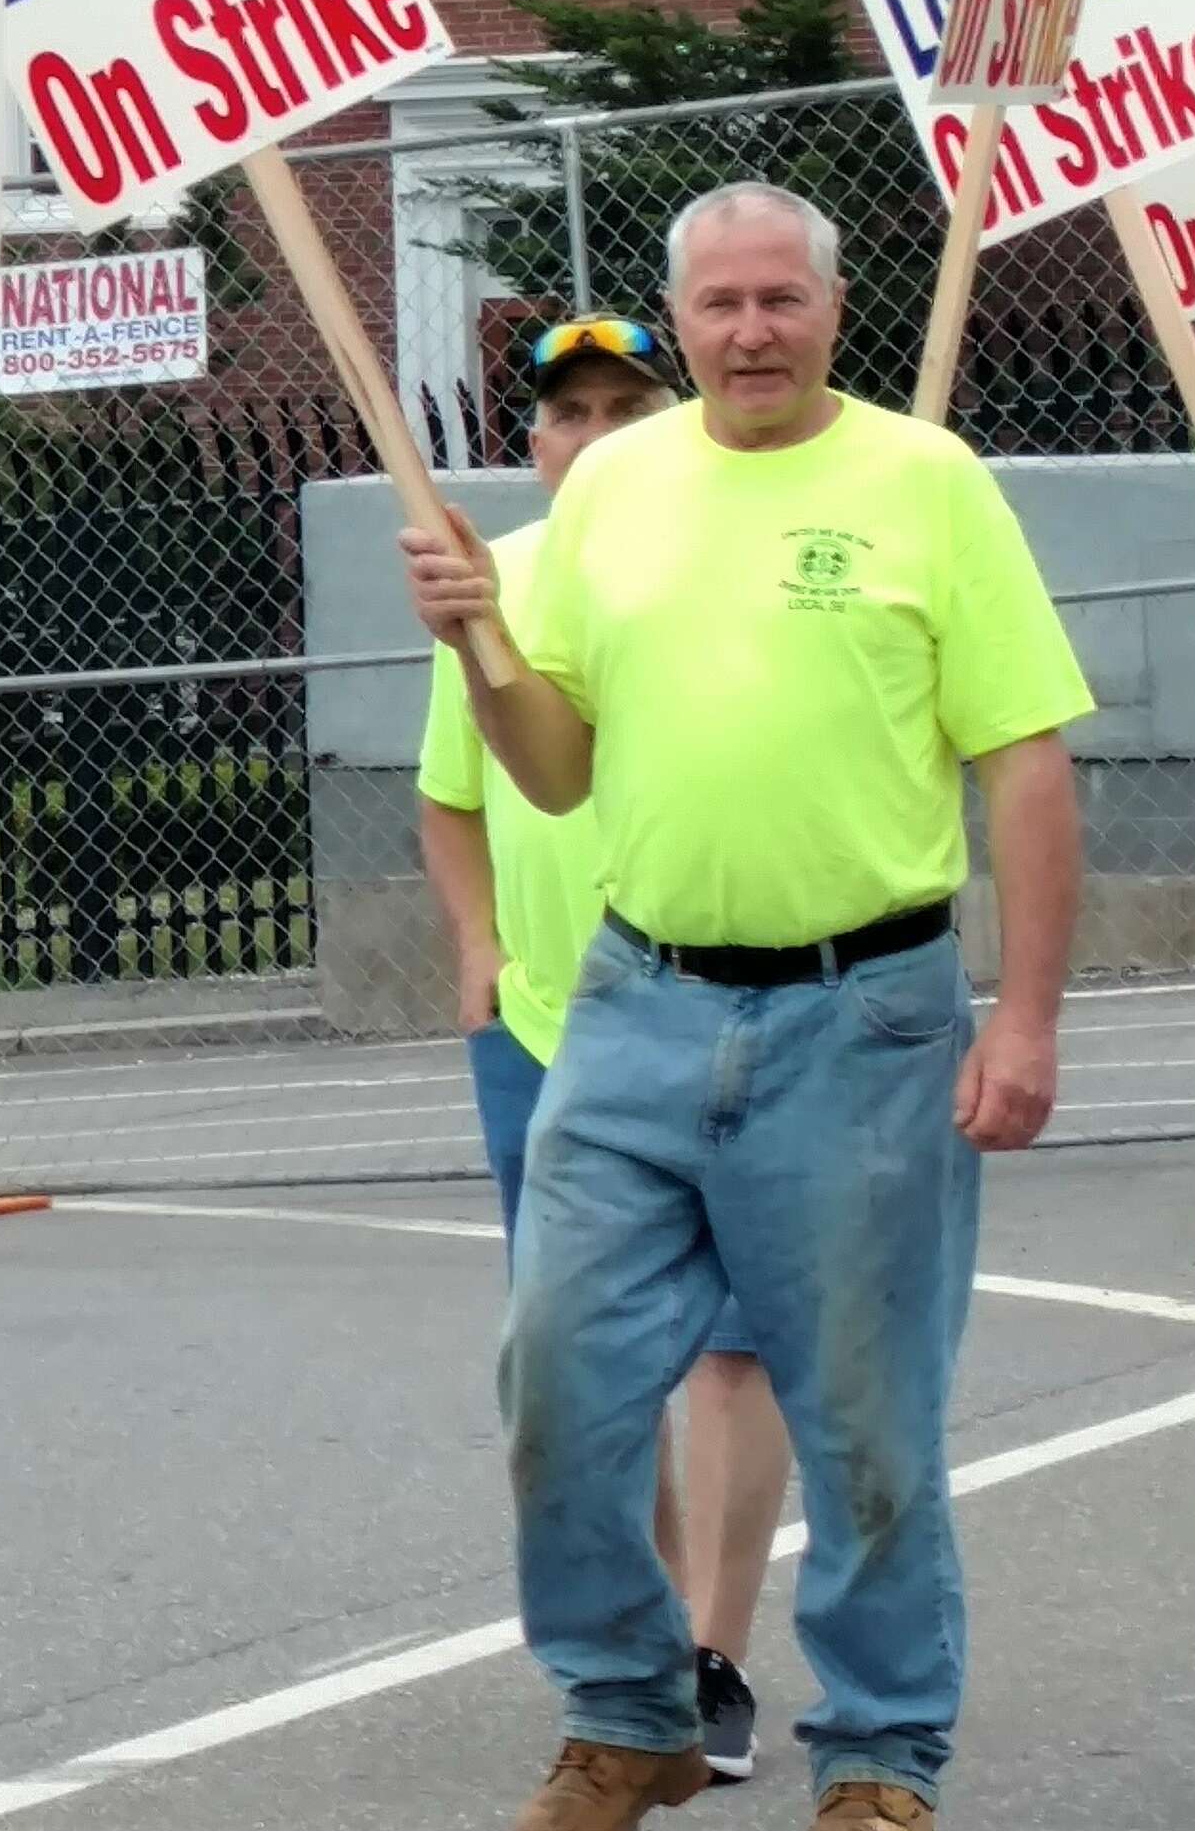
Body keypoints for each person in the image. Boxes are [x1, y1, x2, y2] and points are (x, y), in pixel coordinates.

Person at [406, 183, 1090, 1831]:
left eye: (782, 298)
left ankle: (878, 1753)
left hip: (865, 1016)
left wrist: (1028, 1019)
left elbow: (1027, 761)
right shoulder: (617, 485)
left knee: (864, 1412)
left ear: (832, 309)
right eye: (720, 303)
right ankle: (631, 1711)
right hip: (634, 1007)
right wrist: (486, 646)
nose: (751, 330)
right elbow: (554, 773)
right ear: (683, 312)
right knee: (557, 1373)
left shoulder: (930, 484)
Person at [417, 313, 797, 1790]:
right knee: (583, 1367)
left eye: (627, 405)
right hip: (544, 1032)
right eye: (567, 413)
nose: (595, 435)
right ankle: (637, 1652)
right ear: (533, 444)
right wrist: (476, 946)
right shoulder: (492, 582)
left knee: (733, 1351)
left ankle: (711, 1652)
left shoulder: (720, 551)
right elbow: (451, 793)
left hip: (718, 1011)